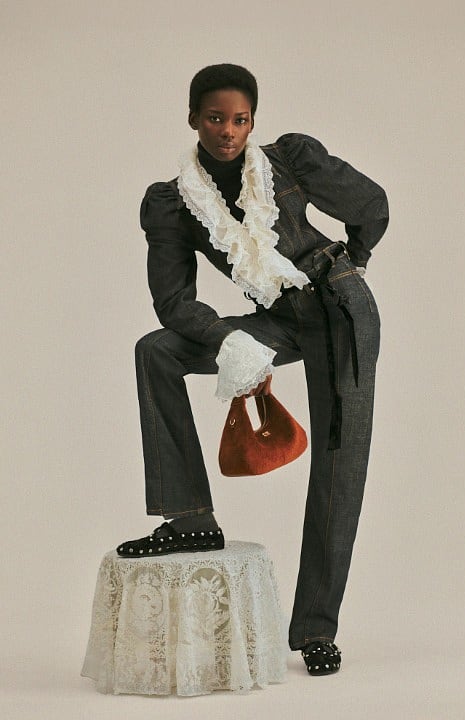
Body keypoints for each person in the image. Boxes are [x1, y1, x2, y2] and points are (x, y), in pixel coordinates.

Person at [117, 63, 389, 676]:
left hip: (341, 311)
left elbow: (371, 204)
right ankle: (190, 516)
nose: (228, 131)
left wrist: (353, 262)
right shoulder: (172, 202)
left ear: (252, 123)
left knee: (339, 466)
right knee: (157, 349)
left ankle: (316, 628)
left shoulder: (288, 162)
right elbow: (173, 303)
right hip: (280, 318)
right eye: (216, 118)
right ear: (193, 118)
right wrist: (228, 340)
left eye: (240, 120)